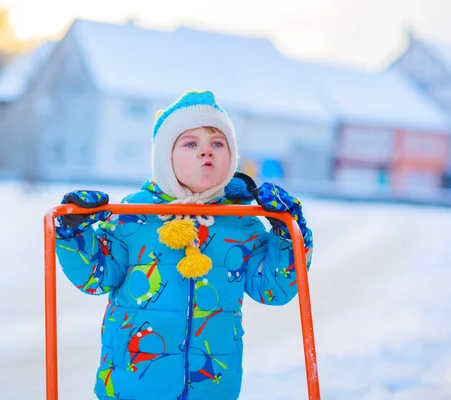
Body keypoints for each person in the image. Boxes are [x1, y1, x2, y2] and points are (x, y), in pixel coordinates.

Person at [54, 90, 313, 400]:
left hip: (213, 386)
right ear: (165, 157)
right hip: (133, 383)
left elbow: (274, 290)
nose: (207, 152)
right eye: (191, 144)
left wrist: (288, 231)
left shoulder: (243, 222)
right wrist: (74, 232)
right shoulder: (133, 217)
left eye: (218, 144)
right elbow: (96, 277)